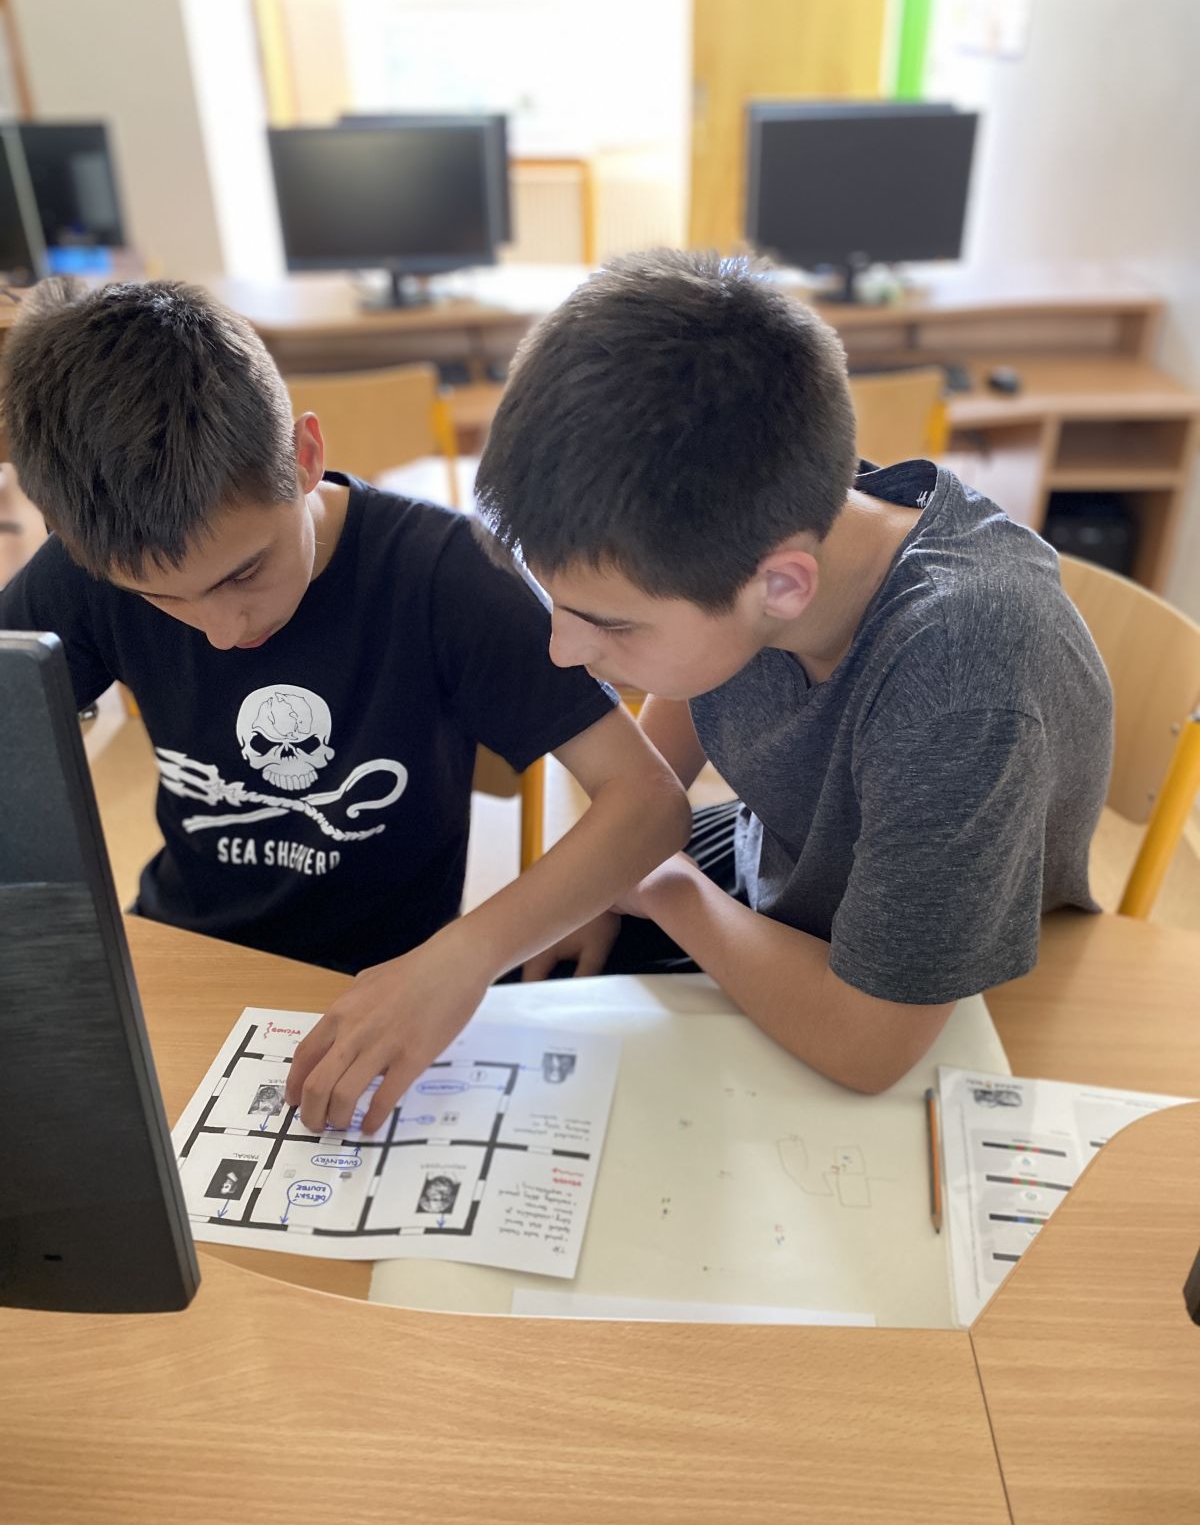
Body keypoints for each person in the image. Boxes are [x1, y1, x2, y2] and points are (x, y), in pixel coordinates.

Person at [0, 278, 689, 1132]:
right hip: (181, 953)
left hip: (377, 986)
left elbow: (649, 802)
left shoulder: (445, 575)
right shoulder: (87, 570)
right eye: (162, 600)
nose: (222, 631)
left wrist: (469, 955)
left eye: (245, 572)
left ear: (304, 455)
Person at [477, 250, 1113, 1093]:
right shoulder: (762, 530)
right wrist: (605, 873)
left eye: (612, 623)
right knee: (525, 1005)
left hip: (919, 975)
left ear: (781, 586)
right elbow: (665, 755)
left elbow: (867, 1049)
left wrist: (659, 885)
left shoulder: (962, 678)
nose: (563, 650)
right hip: (786, 864)